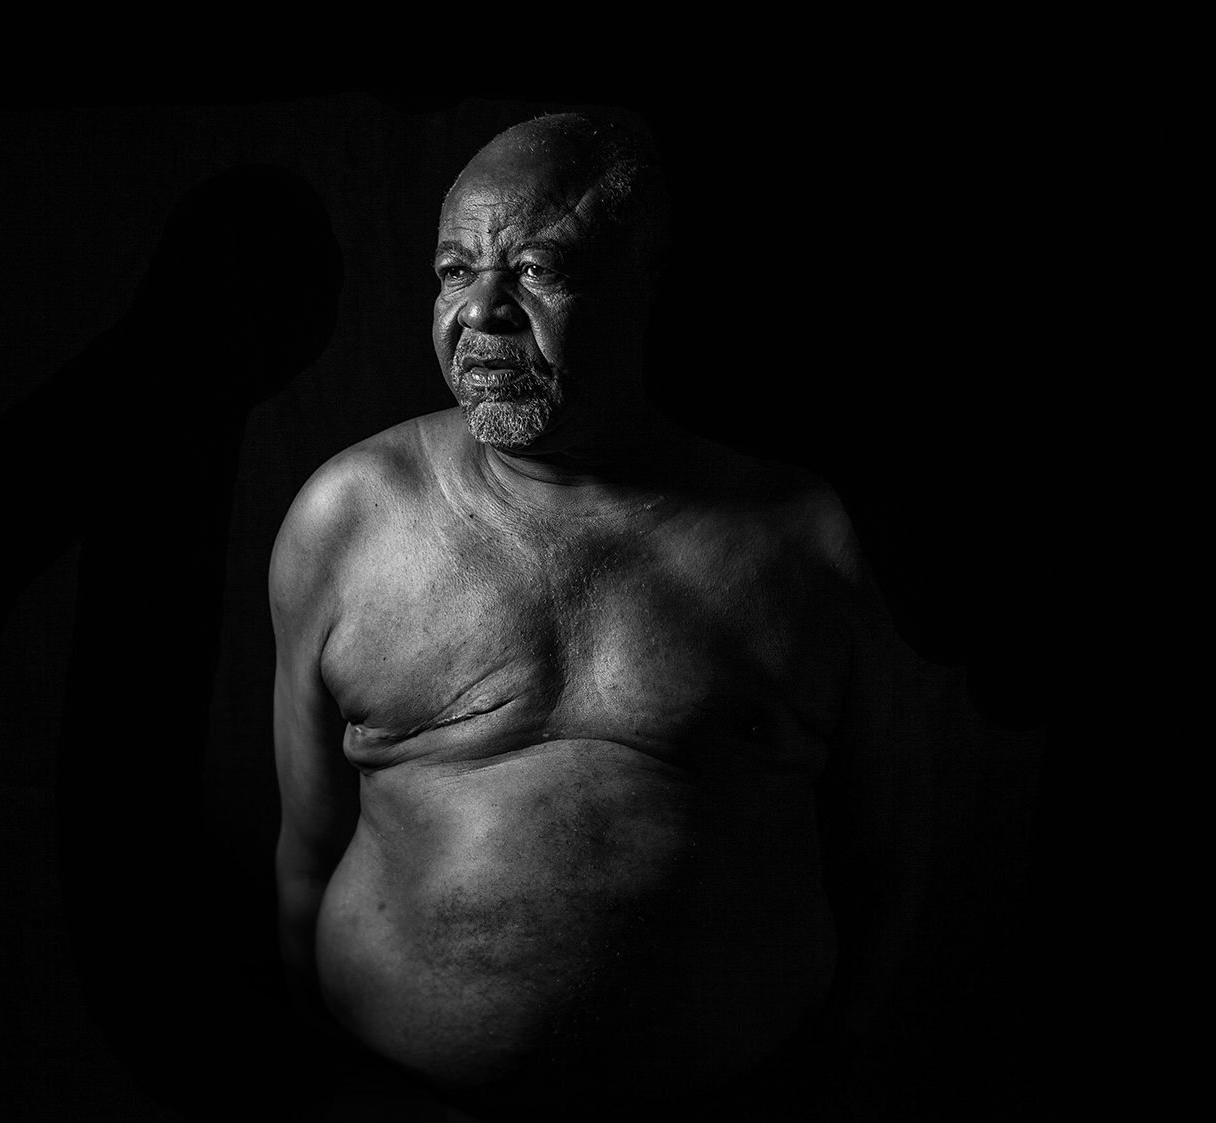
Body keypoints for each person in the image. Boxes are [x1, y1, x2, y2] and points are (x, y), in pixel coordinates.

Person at [270, 113, 929, 1120]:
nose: (481, 310)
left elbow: (884, 854)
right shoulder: (346, 517)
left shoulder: (806, 541)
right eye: (454, 271)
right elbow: (304, 845)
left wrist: (843, 1055)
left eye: (537, 269)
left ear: (648, 285)